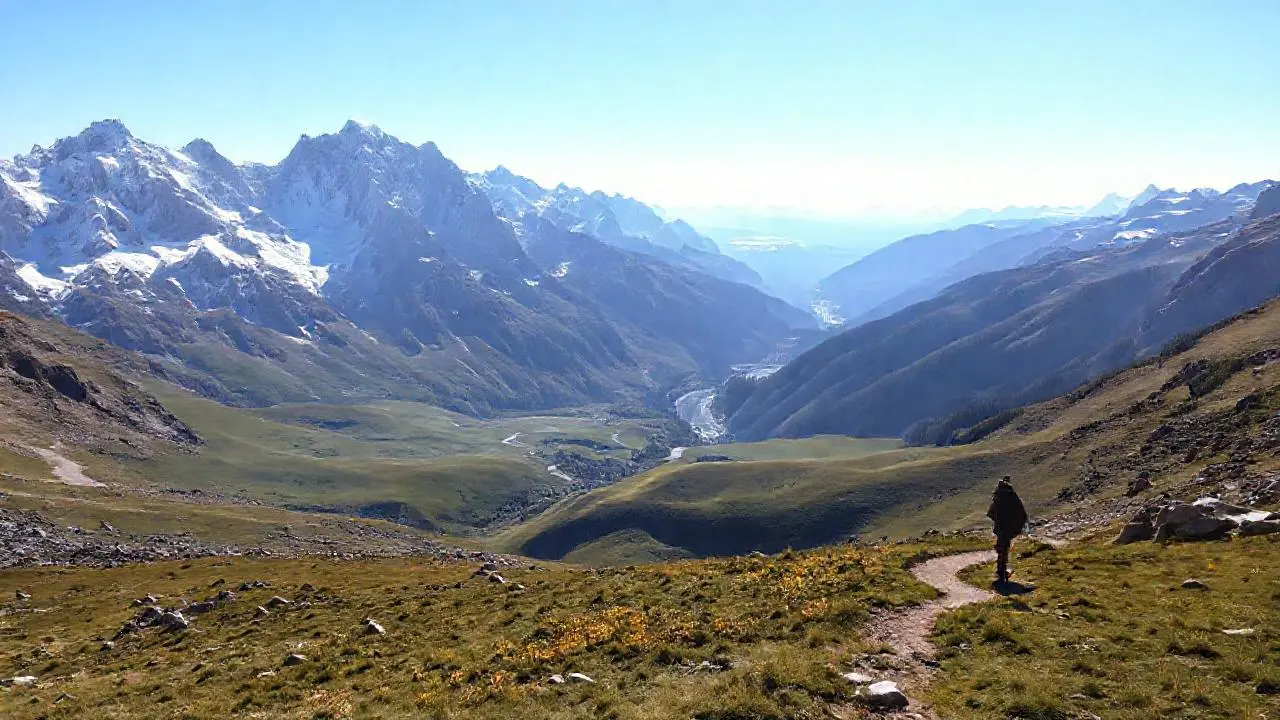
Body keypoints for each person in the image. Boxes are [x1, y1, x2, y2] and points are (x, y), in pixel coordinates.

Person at [986, 475, 1028, 583]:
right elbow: (1021, 513)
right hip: (1007, 527)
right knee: (1005, 548)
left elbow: (991, 513)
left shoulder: (998, 497)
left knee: (1001, 548)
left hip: (1000, 527)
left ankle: (1000, 570)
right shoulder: (1012, 496)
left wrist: (998, 521)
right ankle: (1002, 571)